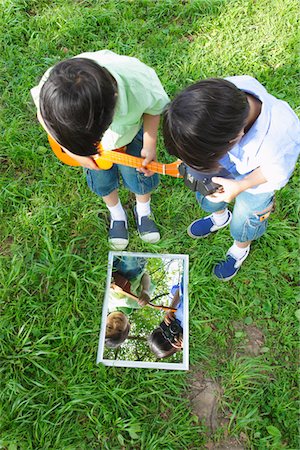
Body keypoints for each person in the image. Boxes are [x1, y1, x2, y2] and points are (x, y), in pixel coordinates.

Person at [163, 76, 300, 280]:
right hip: (224, 155)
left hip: (257, 180)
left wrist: (241, 185)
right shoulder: (222, 95)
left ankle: (239, 249)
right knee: (208, 192)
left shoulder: (281, 137)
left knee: (246, 218)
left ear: (236, 138)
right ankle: (220, 218)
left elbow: (275, 173)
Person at [31, 50, 170, 250]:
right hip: (91, 155)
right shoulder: (53, 86)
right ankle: (116, 214)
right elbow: (43, 116)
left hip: (129, 137)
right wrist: (74, 152)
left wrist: (149, 143)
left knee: (140, 177)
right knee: (102, 180)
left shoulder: (139, 83)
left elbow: (154, 109)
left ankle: (144, 210)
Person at [105, 256, 154, 348]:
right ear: (128, 326)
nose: (116, 323)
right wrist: (145, 291)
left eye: (109, 327)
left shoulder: (104, 303)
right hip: (132, 270)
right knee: (128, 266)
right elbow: (145, 275)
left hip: (111, 269)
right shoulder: (137, 303)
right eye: (119, 329)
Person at [148, 281, 183, 359]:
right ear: (178, 347)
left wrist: (171, 308)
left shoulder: (173, 311)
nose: (174, 331)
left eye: (169, 332)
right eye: (173, 340)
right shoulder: (188, 339)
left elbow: (182, 285)